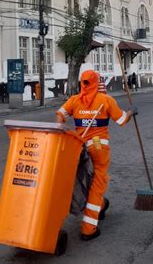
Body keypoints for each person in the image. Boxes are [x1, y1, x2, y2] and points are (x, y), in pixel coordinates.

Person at [56, 69, 137, 241]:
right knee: (98, 183)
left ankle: (99, 205)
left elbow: (60, 114)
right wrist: (131, 112)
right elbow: (122, 120)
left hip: (79, 148)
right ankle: (88, 228)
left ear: (82, 83)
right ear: (96, 82)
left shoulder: (75, 100)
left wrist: (61, 130)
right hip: (98, 147)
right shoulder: (105, 100)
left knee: (83, 179)